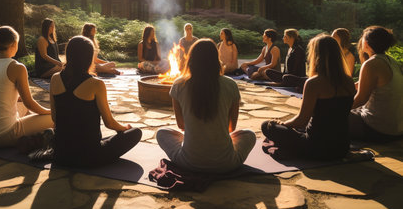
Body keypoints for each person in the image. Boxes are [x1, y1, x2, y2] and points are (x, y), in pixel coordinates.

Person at [156, 39, 256, 173]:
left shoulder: (179, 85)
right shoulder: (231, 85)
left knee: (161, 133)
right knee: (249, 135)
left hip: (189, 162)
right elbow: (231, 128)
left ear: (191, 59)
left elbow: (181, 126)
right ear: (216, 59)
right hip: (226, 163)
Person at [50, 36, 142, 167]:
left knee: (103, 139)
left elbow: (54, 117)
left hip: (60, 154)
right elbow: (109, 123)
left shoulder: (54, 79)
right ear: (88, 58)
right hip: (89, 157)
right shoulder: (96, 84)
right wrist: (125, 128)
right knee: (135, 133)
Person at [261, 35, 356, 160]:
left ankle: (288, 148)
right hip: (341, 147)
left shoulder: (314, 83)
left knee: (267, 125)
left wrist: (282, 124)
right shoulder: (349, 81)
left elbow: (302, 120)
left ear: (316, 56)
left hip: (315, 146)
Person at [0, 26, 53, 147]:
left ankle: (33, 133)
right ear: (14, 44)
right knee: (53, 118)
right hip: (2, 136)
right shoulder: (17, 67)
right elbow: (30, 103)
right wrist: (49, 111)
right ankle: (36, 136)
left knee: (21, 105)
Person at [349, 26, 403, 142]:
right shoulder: (391, 62)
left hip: (378, 129)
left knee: (328, 114)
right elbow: (359, 85)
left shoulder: (372, 63)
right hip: (396, 129)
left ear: (367, 43)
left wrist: (339, 109)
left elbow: (361, 99)